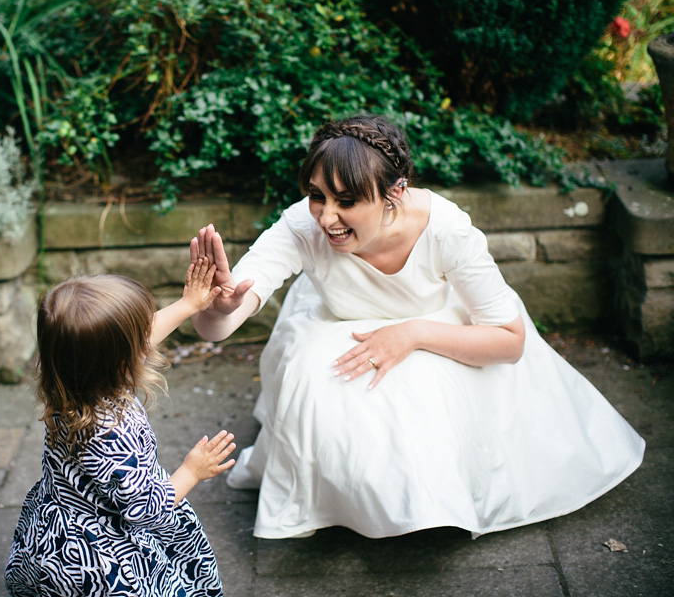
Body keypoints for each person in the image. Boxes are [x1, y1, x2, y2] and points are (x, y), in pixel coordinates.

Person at [189, 114, 645, 540]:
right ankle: (340, 502)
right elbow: (219, 328)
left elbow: (510, 341)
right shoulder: (299, 228)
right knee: (317, 378)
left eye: (347, 201)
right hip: (339, 323)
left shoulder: (447, 230)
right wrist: (222, 305)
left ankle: (432, 501)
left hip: (439, 327)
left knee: (426, 390)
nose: (326, 217)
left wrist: (412, 333)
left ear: (396, 193)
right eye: (316, 196)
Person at [5, 263, 237, 596]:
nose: (147, 340)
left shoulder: (69, 383)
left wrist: (188, 305)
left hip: (59, 533)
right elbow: (145, 508)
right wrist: (191, 470)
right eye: (140, 337)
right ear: (122, 358)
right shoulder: (114, 430)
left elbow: (127, 341)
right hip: (106, 554)